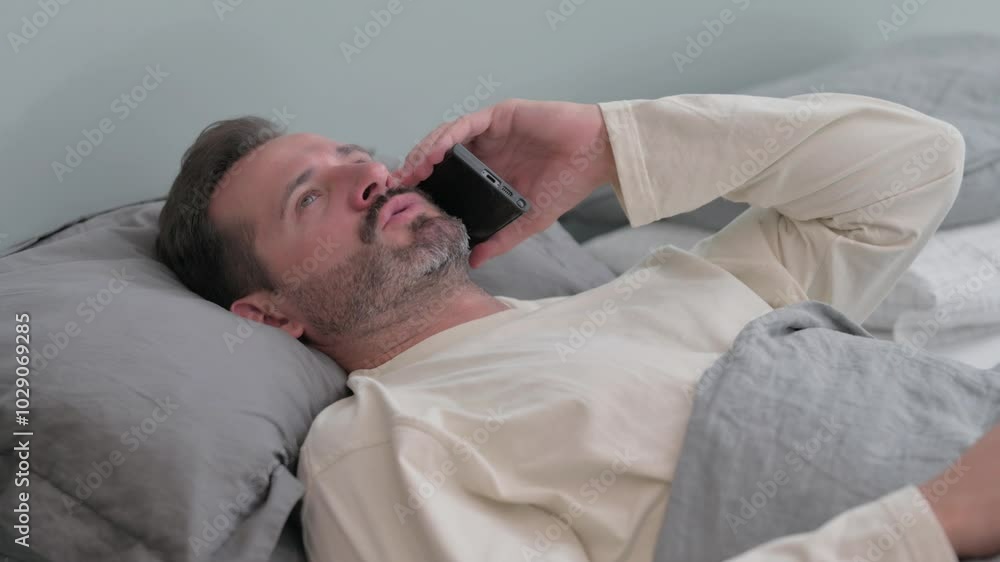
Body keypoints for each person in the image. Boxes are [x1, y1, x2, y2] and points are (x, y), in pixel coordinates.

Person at [155, 93, 1000, 561]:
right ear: (270, 314)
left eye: (354, 156)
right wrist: (936, 518)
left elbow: (915, 167)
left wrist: (607, 144)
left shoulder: (673, 288)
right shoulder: (381, 442)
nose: (368, 179)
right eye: (312, 198)